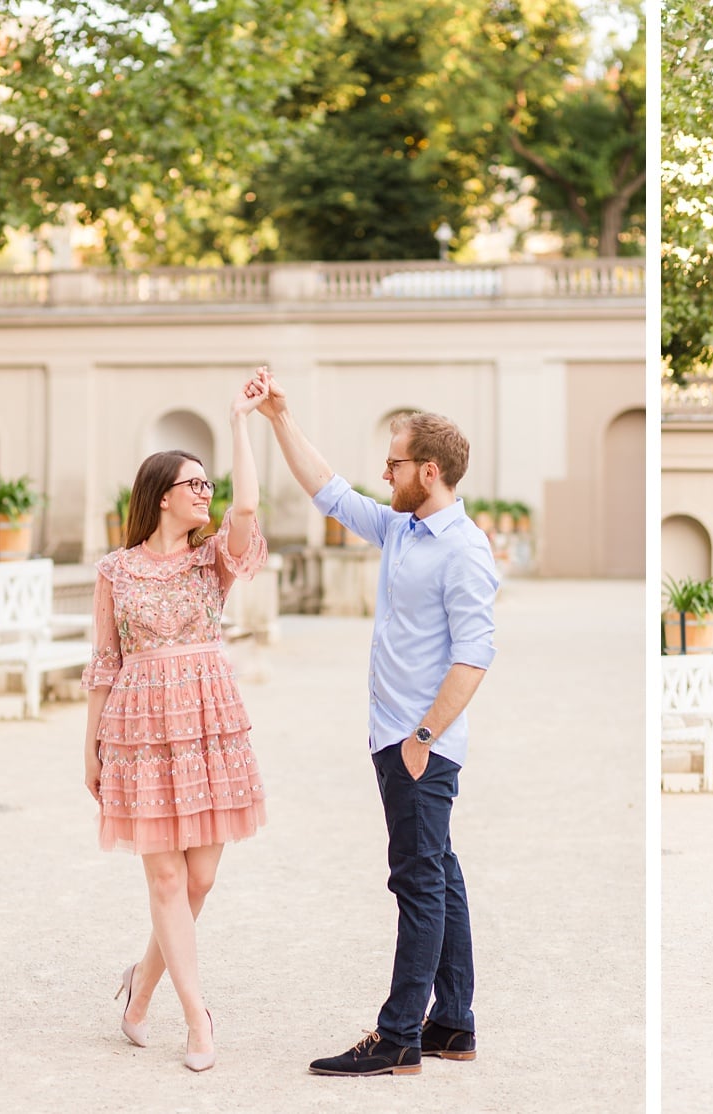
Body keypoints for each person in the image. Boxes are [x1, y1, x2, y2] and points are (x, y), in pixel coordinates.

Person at [246, 368, 498, 1077]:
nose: (382, 472)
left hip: (420, 747)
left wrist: (421, 740)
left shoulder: (462, 549)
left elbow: (475, 658)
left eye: (393, 463)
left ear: (428, 470)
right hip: (397, 740)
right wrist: (278, 418)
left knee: (417, 882)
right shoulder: (403, 528)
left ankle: (397, 1039)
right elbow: (326, 488)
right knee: (439, 875)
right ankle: (452, 1023)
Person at [82, 378, 271, 1072]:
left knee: (198, 883)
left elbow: (247, 504)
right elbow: (104, 663)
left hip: (205, 721)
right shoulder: (116, 571)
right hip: (137, 729)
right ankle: (198, 1019)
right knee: (164, 881)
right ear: (162, 493)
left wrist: (239, 421)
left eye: (209, 484)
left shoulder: (210, 560)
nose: (207, 493)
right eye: (194, 484)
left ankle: (140, 986)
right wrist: (91, 750)